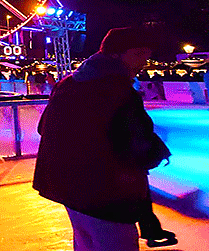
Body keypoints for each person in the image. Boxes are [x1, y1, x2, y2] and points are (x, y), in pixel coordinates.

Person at [34, 27, 175, 250]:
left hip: (70, 190)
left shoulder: (68, 84)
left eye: (146, 55)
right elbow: (138, 147)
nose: (144, 62)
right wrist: (156, 151)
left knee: (86, 243)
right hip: (106, 193)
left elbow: (43, 128)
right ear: (114, 54)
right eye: (138, 54)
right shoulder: (117, 90)